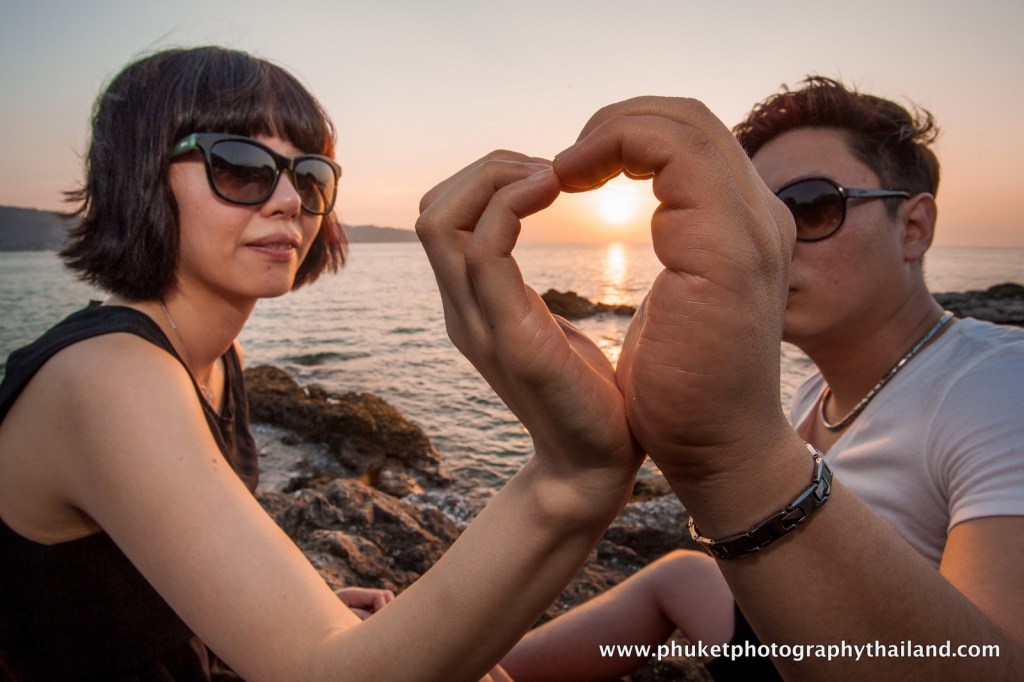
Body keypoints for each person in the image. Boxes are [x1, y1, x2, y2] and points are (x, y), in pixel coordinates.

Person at [0, 46, 644, 681]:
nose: (286, 200)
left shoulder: (218, 361)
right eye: (241, 165)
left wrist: (270, 623)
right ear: (139, 176)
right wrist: (572, 477)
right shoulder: (107, 375)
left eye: (309, 176)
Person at [417, 79, 1024, 680]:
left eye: (811, 206)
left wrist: (734, 456)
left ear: (914, 227)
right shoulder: (817, 390)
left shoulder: (999, 386)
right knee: (679, 574)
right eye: (760, 213)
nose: (774, 240)